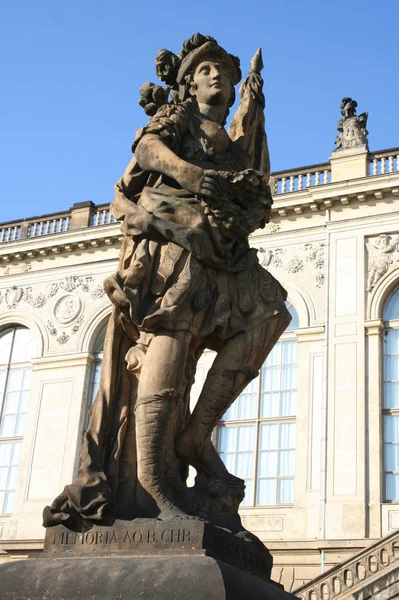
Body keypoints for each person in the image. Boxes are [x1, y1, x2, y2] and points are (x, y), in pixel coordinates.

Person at [43, 34, 290, 528]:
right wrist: (193, 176)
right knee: (171, 345)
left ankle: (194, 436)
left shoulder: (232, 141)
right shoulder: (178, 121)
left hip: (223, 254)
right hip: (175, 242)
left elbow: (251, 179)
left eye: (222, 68)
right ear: (188, 83)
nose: (215, 74)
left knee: (271, 314)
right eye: (204, 70)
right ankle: (156, 487)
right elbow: (149, 150)